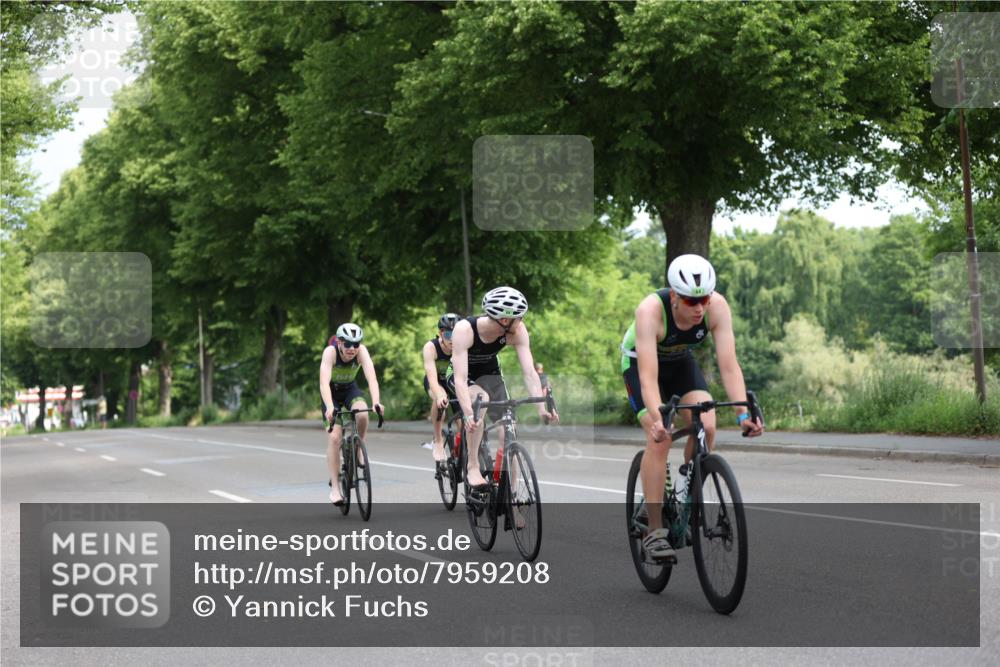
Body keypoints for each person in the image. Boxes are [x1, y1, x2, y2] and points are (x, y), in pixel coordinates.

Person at [621, 254, 763, 561]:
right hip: (641, 364)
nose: (699, 308)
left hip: (680, 362)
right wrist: (658, 419)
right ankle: (655, 531)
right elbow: (648, 378)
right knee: (660, 438)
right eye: (690, 301)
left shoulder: (717, 307)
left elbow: (729, 366)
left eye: (704, 299)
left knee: (707, 425)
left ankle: (684, 491)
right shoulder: (649, 311)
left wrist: (743, 415)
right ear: (674, 296)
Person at [450, 286, 559, 490]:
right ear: (505, 320)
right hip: (464, 376)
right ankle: (472, 465)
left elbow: (529, 372)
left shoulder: (518, 331)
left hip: (491, 375)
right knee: (480, 399)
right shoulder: (465, 330)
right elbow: (460, 378)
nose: (522, 321)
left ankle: (511, 495)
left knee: (508, 431)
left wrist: (541, 409)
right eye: (520, 317)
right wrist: (468, 414)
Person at [319, 323, 384, 506]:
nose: (352, 348)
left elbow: (372, 378)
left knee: (363, 414)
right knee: (335, 438)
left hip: (350, 390)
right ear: (339, 342)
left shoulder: (361, 352)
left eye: (356, 344)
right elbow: (324, 383)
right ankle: (335, 488)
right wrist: (330, 407)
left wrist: (376, 402)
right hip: (331, 394)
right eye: (347, 344)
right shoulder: (330, 353)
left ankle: (358, 446)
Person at [422, 312, 460, 463]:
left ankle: (460, 454)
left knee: (464, 424)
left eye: (457, 335)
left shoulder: (464, 347)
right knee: (441, 400)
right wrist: (439, 395)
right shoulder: (431, 347)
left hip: (454, 383)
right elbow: (432, 379)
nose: (453, 339)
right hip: (435, 381)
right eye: (449, 335)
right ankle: (438, 440)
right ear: (441, 333)